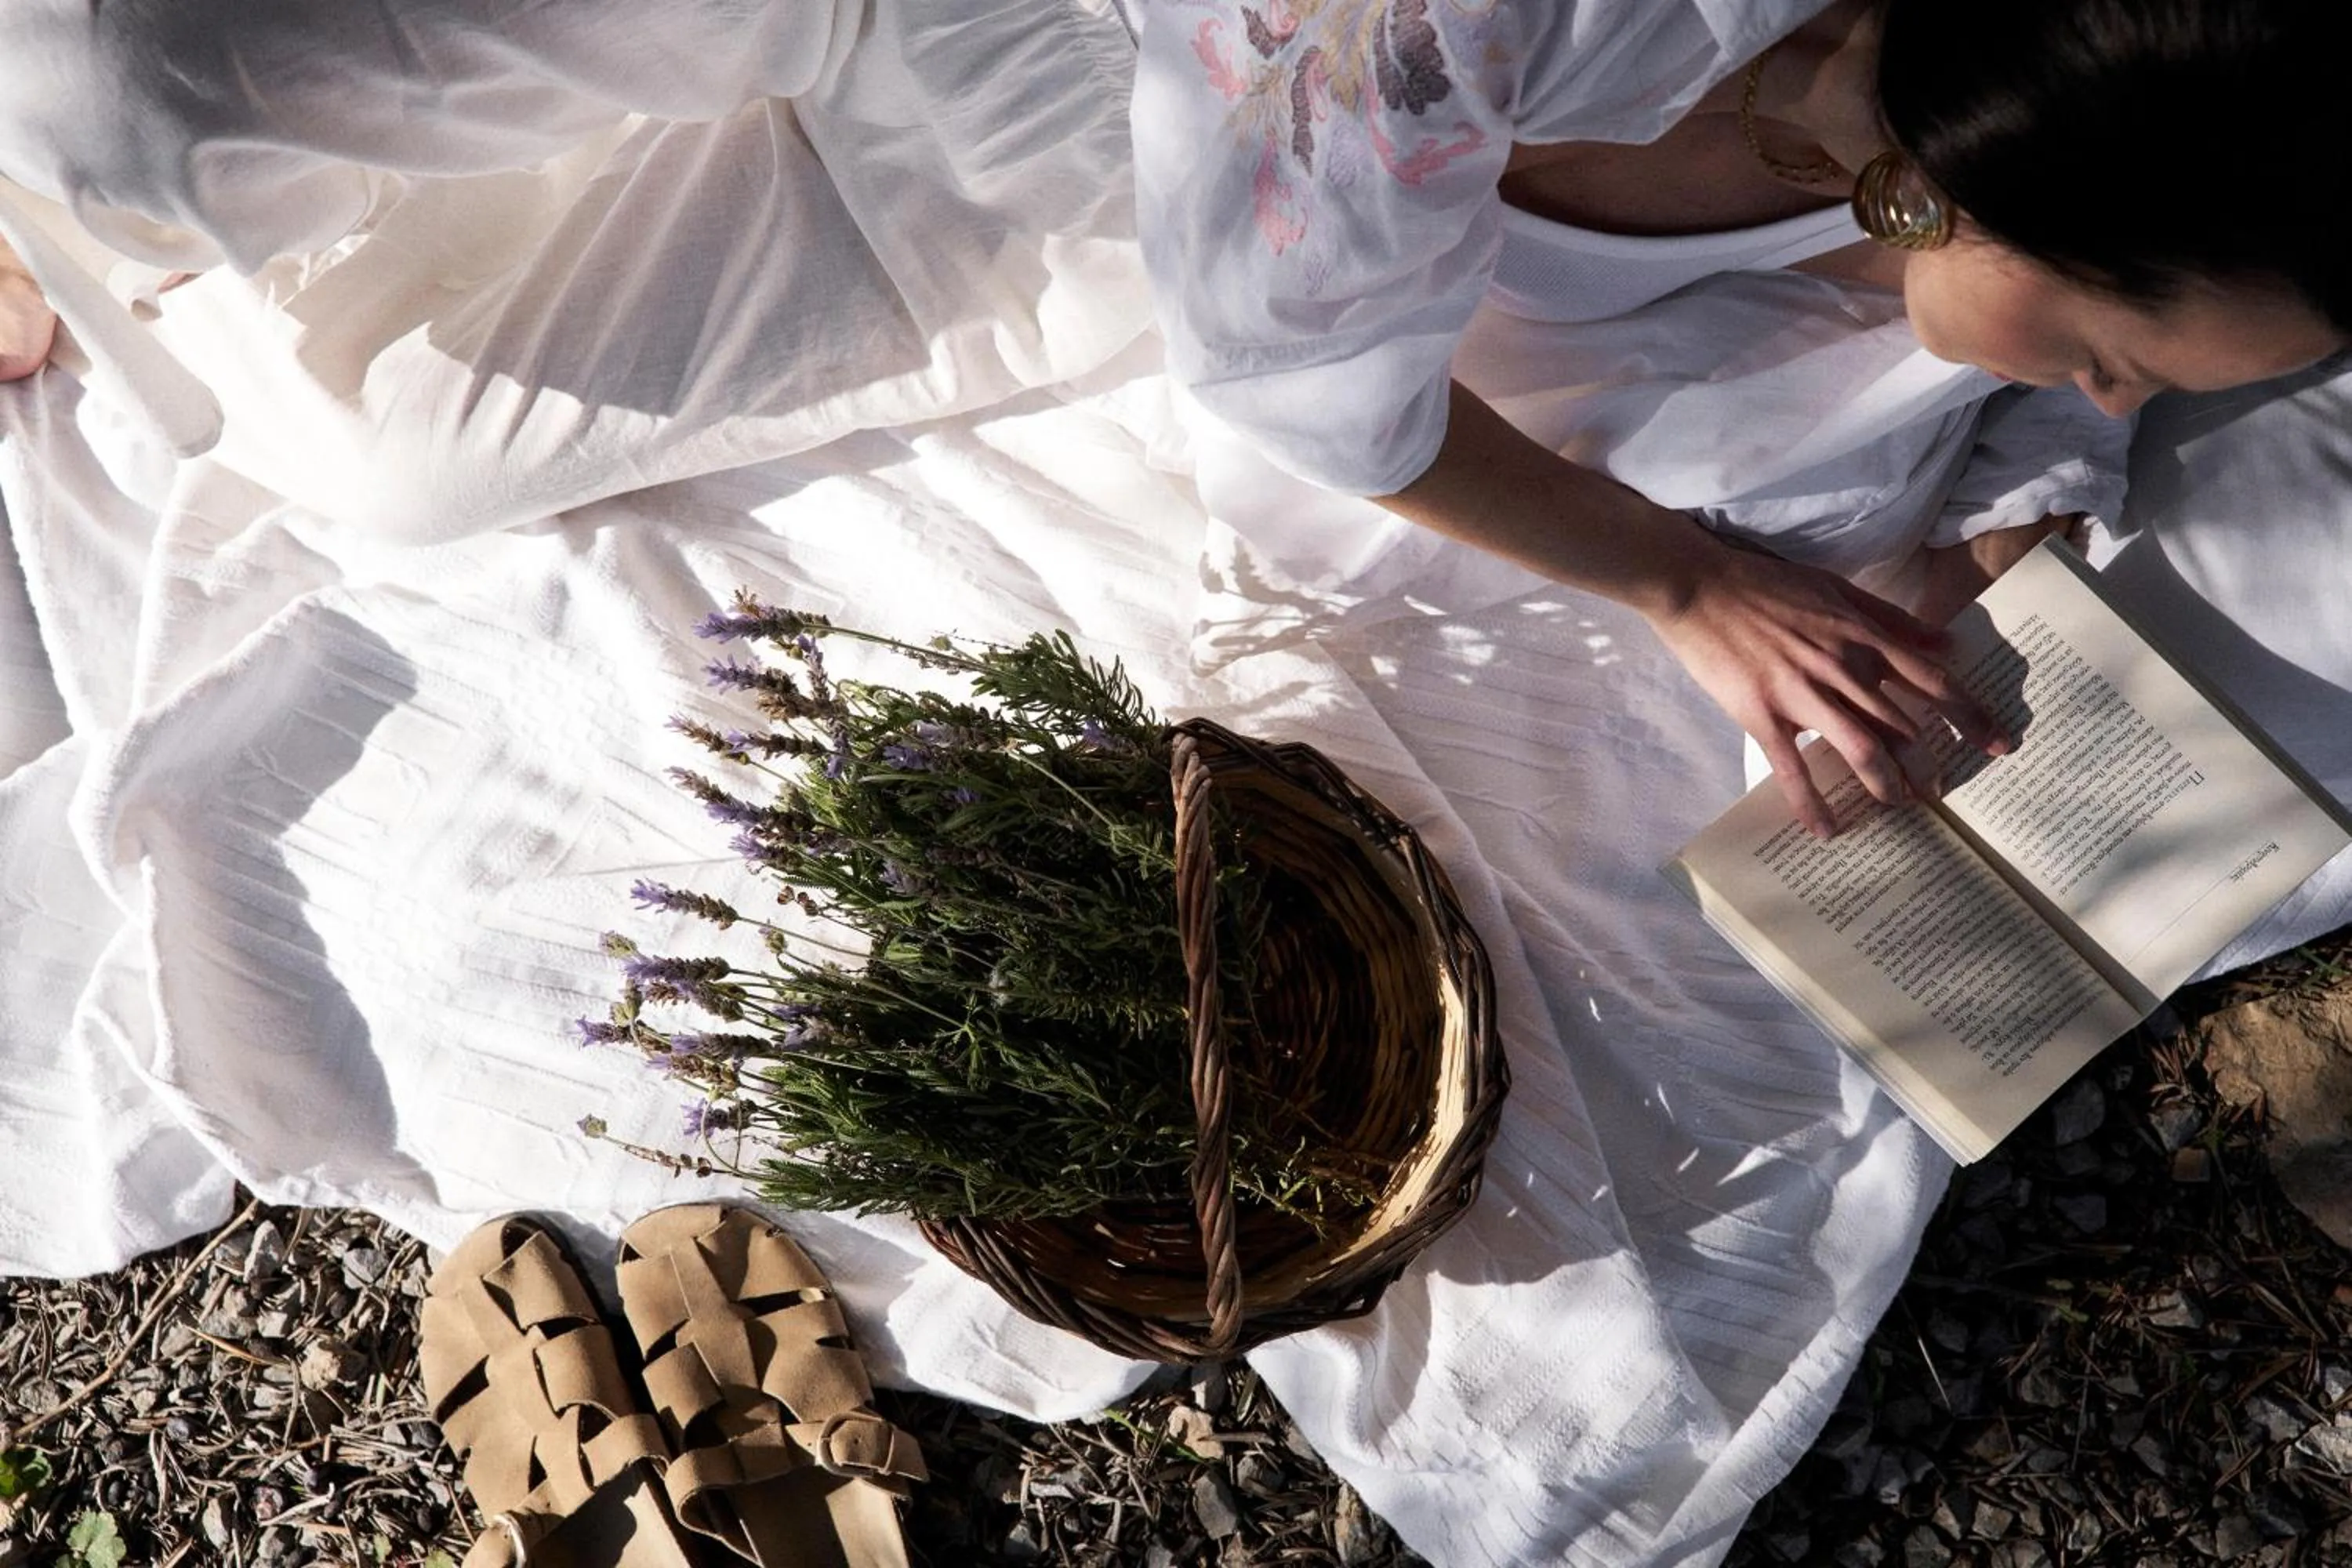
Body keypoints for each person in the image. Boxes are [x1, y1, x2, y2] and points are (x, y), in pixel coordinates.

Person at [1133, 0, 2348, 835]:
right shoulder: (1434, 55)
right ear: (2015, 186)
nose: (2107, 401)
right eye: (2104, 357)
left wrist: (2018, 520)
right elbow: (1304, 394)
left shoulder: (2080, 106)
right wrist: (1686, 586)